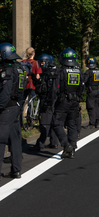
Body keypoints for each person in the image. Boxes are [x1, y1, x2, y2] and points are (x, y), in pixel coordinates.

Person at [51, 48, 84, 159]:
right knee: (72, 124)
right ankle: (72, 149)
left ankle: (66, 145)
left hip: (63, 101)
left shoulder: (60, 71)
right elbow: (82, 87)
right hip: (75, 101)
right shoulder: (79, 70)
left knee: (56, 123)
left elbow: (55, 89)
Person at [0, 42, 27, 179]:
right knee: (15, 139)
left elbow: (4, 94)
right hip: (17, 106)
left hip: (7, 108)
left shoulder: (8, 70)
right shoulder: (20, 68)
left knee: (1, 139)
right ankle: (16, 170)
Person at [30, 54, 59, 151]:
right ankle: (54, 142)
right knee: (53, 122)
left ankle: (40, 144)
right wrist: (34, 78)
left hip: (47, 100)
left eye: (43, 62)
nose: (41, 64)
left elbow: (45, 89)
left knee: (45, 123)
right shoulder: (51, 72)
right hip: (52, 100)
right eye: (40, 62)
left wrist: (48, 101)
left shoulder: (49, 74)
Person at [84, 56, 99, 129]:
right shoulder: (98, 71)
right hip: (97, 91)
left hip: (90, 91)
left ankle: (91, 123)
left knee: (90, 107)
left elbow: (84, 81)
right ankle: (97, 122)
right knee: (96, 106)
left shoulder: (88, 72)